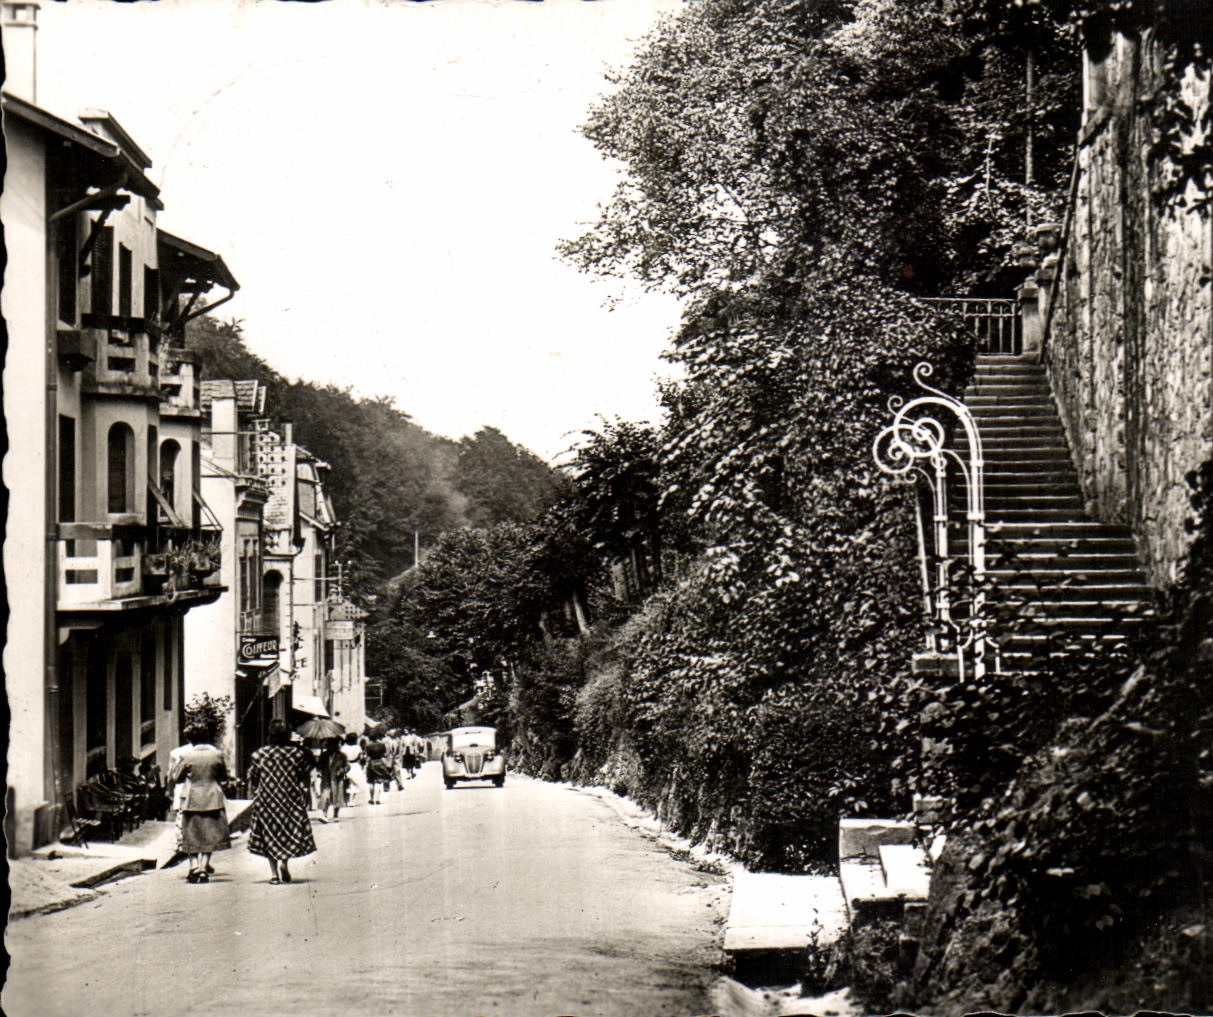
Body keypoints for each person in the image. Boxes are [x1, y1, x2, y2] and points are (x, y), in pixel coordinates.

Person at [247, 719, 317, 884]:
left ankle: (273, 874)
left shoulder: (259, 754)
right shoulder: (296, 754)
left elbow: (254, 776)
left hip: (266, 799)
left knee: (268, 833)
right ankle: (284, 862)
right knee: (287, 830)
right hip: (289, 798)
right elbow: (304, 772)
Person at [168, 723, 231, 884]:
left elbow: (176, 777)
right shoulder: (217, 754)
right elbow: (223, 776)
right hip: (212, 798)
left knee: (191, 833)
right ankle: (203, 868)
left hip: (191, 798)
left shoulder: (187, 756)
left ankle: (194, 866)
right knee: (209, 834)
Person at [316, 737, 349, 822]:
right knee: (325, 795)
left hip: (337, 779)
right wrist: (319, 771)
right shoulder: (323, 755)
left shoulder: (341, 755)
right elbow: (319, 766)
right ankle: (325, 815)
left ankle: (335, 814)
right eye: (329, 745)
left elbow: (347, 766)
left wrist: (341, 771)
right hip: (326, 778)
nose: (331, 747)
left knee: (337, 797)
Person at [364, 731, 391, 805]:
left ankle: (371, 799)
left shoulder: (368, 746)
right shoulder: (382, 744)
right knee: (379, 782)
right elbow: (385, 754)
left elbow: (367, 756)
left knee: (371, 782)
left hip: (371, 763)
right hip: (380, 762)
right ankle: (377, 799)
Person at [340, 731, 367, 805]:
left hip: (346, 765)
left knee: (346, 783)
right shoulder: (358, 747)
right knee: (355, 783)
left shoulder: (343, 748)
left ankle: (346, 799)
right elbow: (361, 757)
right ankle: (351, 800)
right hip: (355, 766)